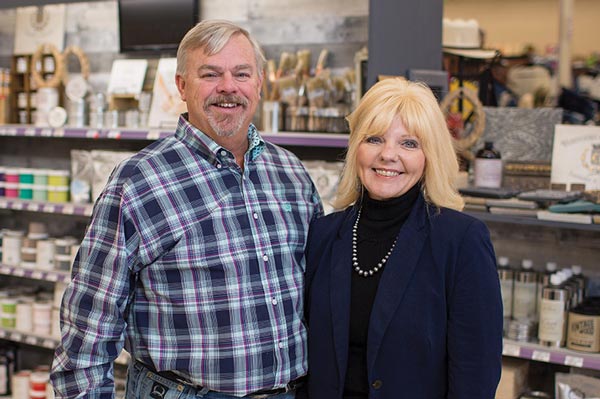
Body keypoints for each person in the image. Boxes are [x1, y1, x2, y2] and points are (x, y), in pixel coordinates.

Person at [50, 20, 322, 399]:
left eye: (241, 73)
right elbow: (87, 332)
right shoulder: (138, 182)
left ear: (260, 83)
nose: (228, 86)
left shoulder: (291, 174)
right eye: (210, 74)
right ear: (181, 86)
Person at [303, 78, 502, 399]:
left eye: (409, 143)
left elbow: (475, 374)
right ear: (356, 149)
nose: (388, 155)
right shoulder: (324, 235)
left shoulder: (461, 241)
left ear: (429, 156)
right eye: (374, 139)